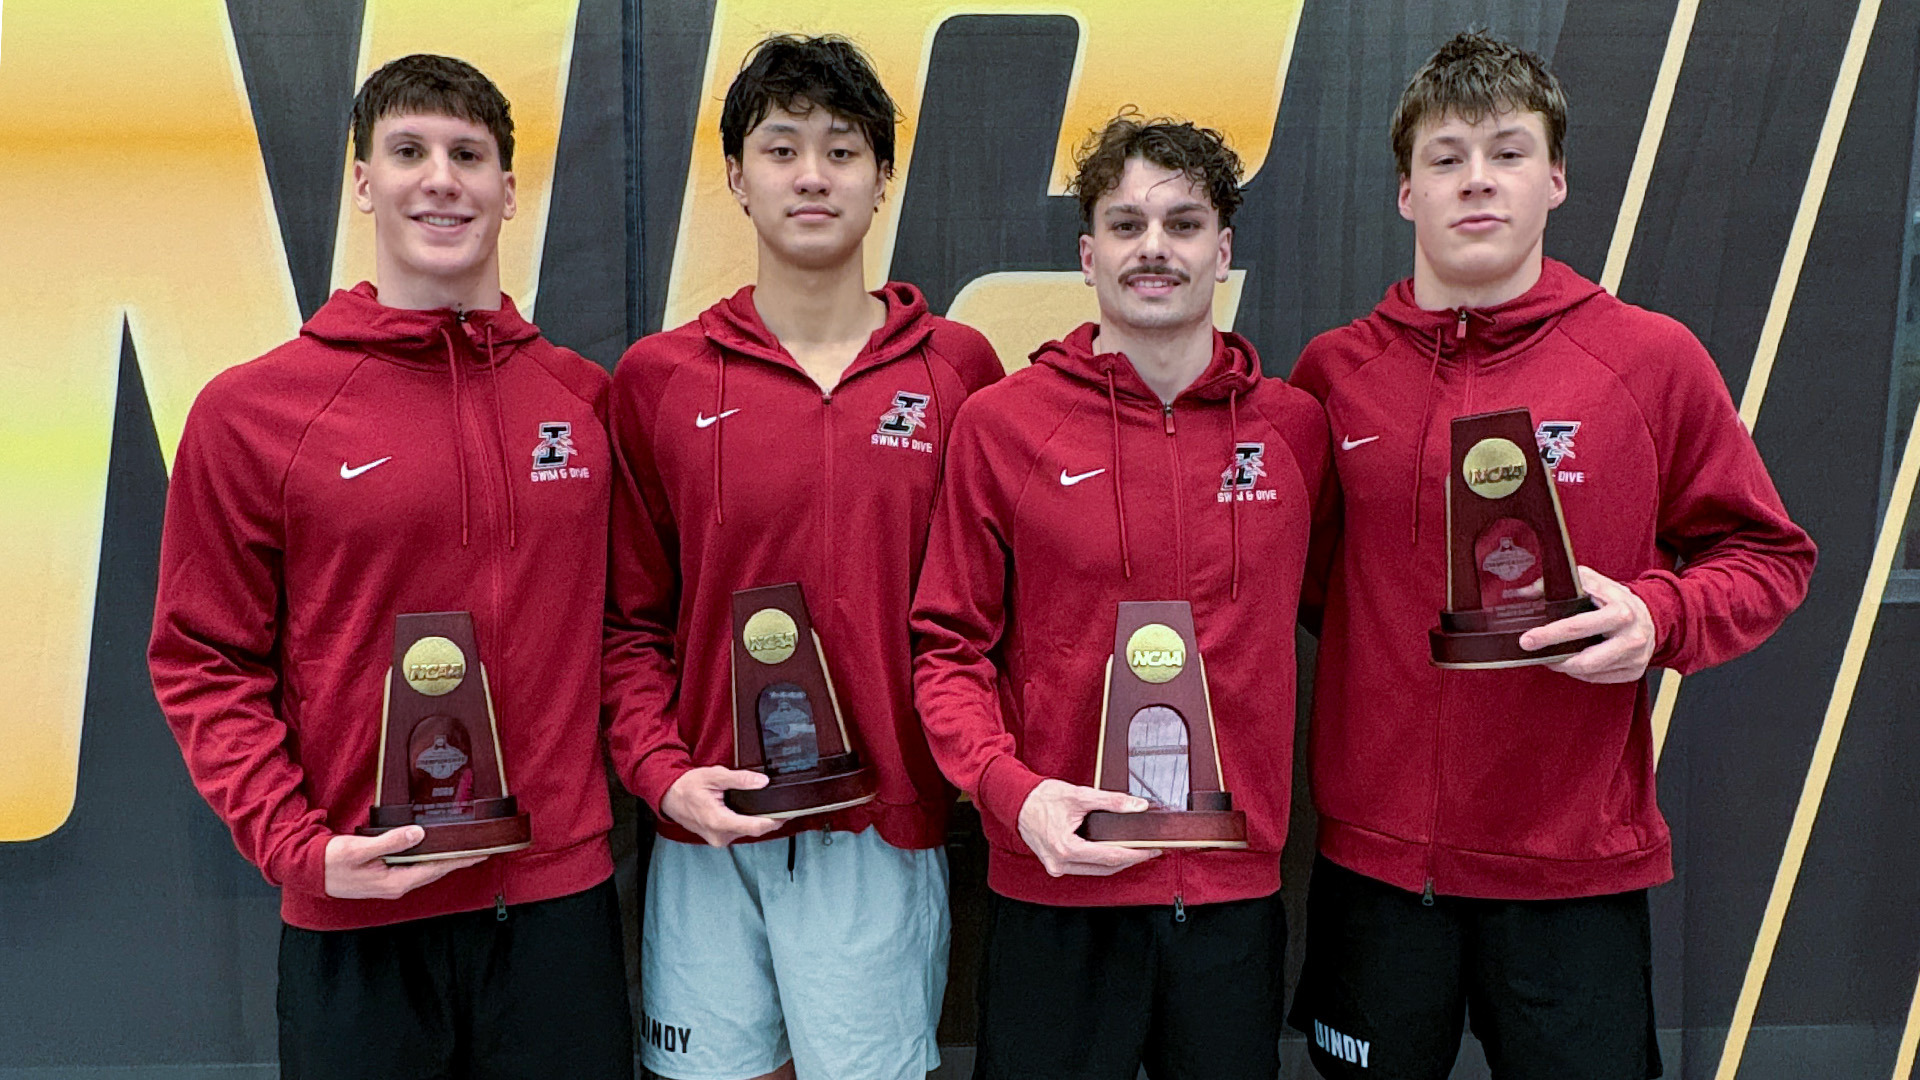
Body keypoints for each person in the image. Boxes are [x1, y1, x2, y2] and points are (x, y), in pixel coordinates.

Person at [1284, 31, 1818, 1080]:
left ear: (1557, 178)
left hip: (1571, 870)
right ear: (1405, 193)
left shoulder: (1648, 359)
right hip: (1380, 869)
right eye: (1446, 157)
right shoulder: (1332, 375)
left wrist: (1657, 618)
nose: (1476, 180)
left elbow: (1768, 554)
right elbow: (1311, 587)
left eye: (1507, 151)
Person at [148, 54, 632, 1079]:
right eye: (408, 151)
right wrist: (299, 849)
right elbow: (203, 660)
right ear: (362, 182)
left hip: (554, 908)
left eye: (468, 154)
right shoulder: (252, 413)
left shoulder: (581, 398)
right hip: (357, 908)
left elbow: (630, 633)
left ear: (510, 189)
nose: (440, 179)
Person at [601, 34, 1003, 1080]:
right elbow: (630, 622)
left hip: (884, 828)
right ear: (737, 178)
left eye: (842, 149)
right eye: (782, 149)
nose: (813, 175)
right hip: (707, 828)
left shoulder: (960, 371)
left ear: (883, 177)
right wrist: (662, 776)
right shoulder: (658, 379)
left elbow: (989, 613)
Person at [909, 114, 1333, 1080]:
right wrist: (1014, 800)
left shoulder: (1296, 431)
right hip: (1058, 893)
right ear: (1087, 252)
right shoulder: (1002, 426)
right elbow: (948, 648)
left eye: (1184, 224)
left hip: (1232, 898)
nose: (1155, 247)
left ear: (1223, 252)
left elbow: (1357, 617)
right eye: (1128, 223)